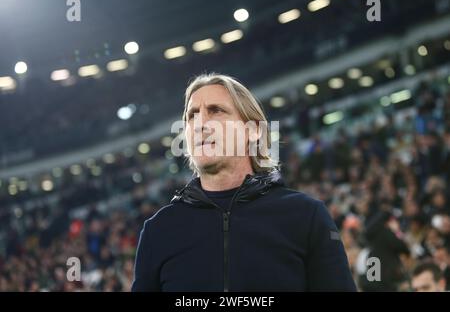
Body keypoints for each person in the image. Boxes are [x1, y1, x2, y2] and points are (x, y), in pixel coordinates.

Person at [131, 73, 356, 292]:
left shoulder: (307, 216)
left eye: (216, 111)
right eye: (192, 115)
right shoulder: (158, 232)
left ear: (254, 131)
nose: (200, 124)